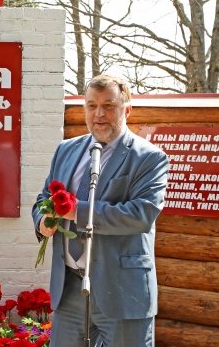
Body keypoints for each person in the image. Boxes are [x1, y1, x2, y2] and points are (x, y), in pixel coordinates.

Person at [32, 74, 169, 347]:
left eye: (109, 105)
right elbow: (43, 198)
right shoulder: (65, 150)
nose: (99, 114)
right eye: (92, 105)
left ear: (126, 109)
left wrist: (76, 212)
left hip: (122, 291)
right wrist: (42, 221)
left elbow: (140, 214)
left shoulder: (150, 158)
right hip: (70, 289)